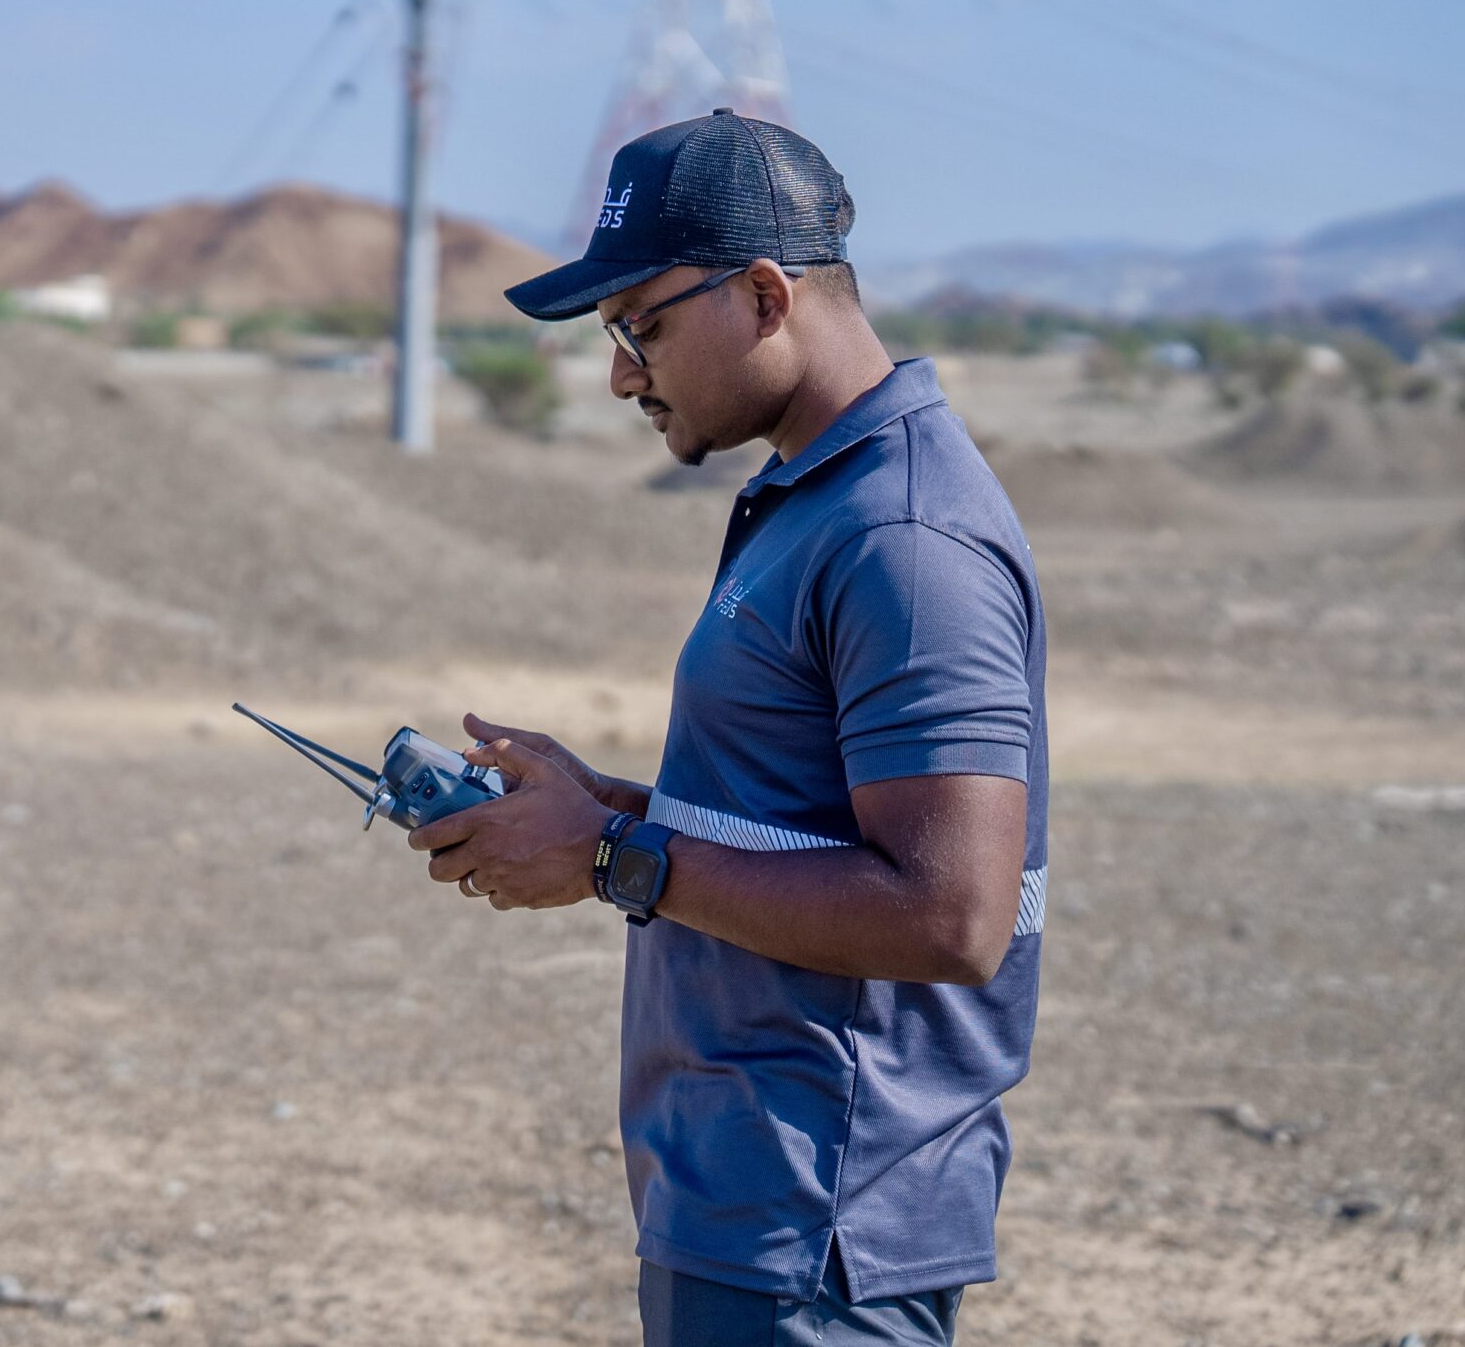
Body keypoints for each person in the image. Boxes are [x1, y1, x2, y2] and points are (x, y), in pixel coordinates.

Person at [411, 108, 1048, 1347]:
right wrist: (605, 811)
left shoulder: (901, 537)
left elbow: (949, 916)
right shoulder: (815, 497)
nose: (619, 375)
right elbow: (800, 828)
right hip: (749, 1200)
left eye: (638, 325)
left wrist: (606, 860)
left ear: (764, 295)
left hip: (818, 1226)